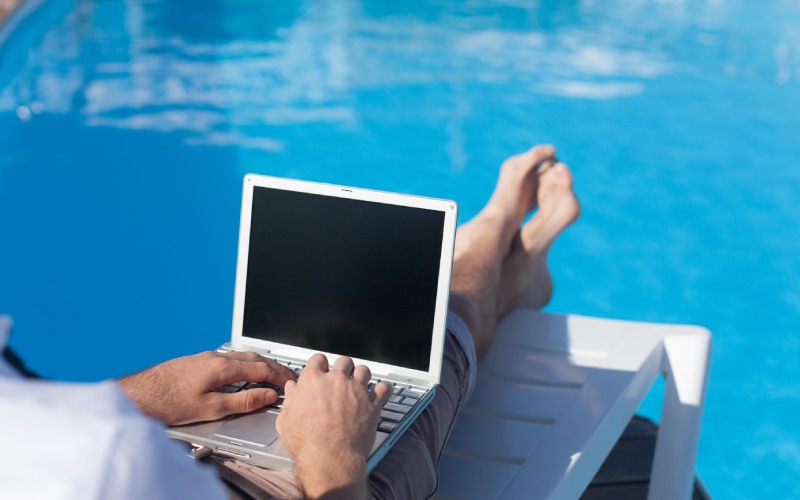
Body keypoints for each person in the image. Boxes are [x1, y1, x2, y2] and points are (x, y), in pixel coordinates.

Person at [0, 144, 579, 499]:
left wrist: (139, 397)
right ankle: (501, 232)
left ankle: (512, 262)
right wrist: (333, 456)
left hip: (184, 442)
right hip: (309, 485)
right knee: (444, 336)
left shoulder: (78, 442)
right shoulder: (99, 461)